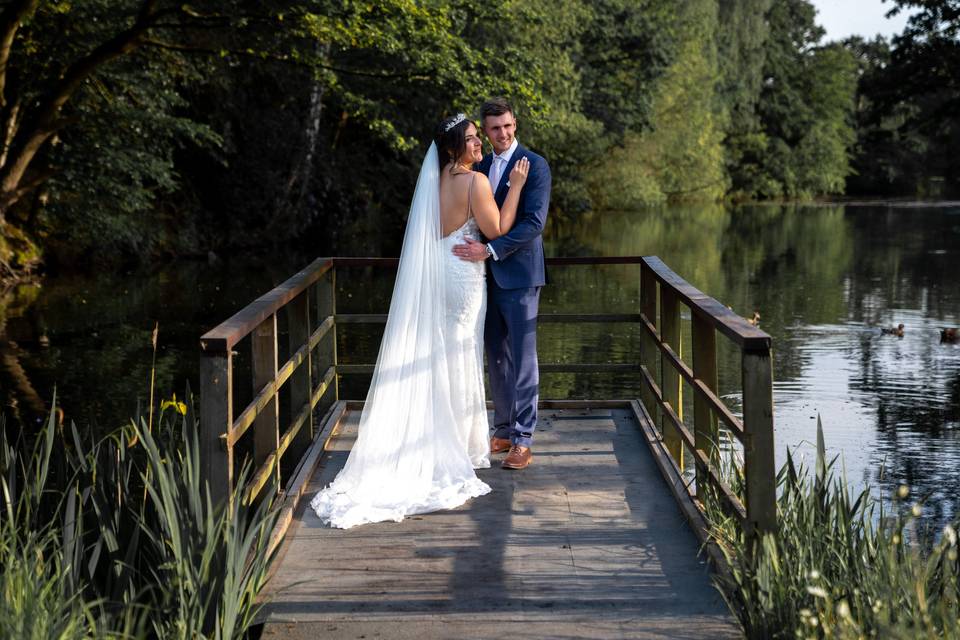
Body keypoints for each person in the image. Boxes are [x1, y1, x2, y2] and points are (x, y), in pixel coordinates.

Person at [310, 114, 530, 528]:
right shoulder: (475, 182)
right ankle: (460, 446)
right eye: (471, 139)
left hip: (438, 271)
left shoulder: (436, 180)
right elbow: (498, 227)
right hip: (463, 276)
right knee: (461, 352)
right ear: (453, 148)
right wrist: (515, 187)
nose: (480, 143)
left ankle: (441, 436)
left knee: (440, 351)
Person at [452, 97, 551, 471]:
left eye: (508, 126)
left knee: (524, 359)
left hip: (520, 276)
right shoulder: (482, 165)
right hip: (482, 280)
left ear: (515, 124)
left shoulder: (535, 166)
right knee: (496, 357)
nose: (503, 134)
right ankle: (504, 429)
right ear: (486, 130)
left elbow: (534, 223)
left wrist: (491, 250)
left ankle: (524, 440)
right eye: (495, 128)